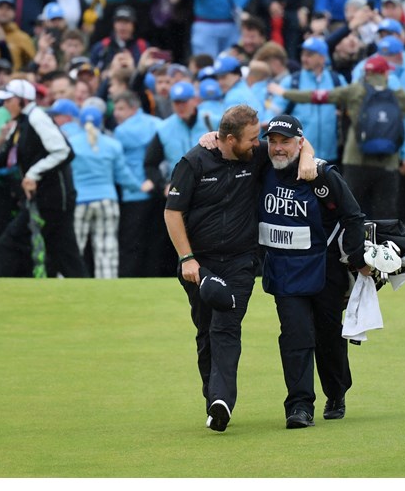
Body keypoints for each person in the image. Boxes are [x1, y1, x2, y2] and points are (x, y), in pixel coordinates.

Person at [163, 104, 316, 432]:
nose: (258, 143)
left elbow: (297, 143)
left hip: (240, 261)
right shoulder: (193, 162)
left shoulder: (255, 155)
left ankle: (222, 401)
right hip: (199, 264)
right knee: (205, 333)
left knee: (226, 327)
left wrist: (306, 158)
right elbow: (172, 213)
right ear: (229, 139)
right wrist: (187, 259)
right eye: (250, 138)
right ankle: (213, 400)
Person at [258, 114, 372, 429]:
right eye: (273, 141)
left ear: (300, 142)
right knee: (295, 336)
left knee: (327, 336)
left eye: (285, 142)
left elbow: (353, 215)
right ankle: (299, 406)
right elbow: (230, 142)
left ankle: (336, 393)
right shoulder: (262, 165)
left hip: (325, 271)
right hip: (282, 272)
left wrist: (357, 256)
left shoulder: (322, 174)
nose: (278, 148)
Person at [269, 55, 405, 220]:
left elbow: (318, 96)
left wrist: (285, 93)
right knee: (386, 214)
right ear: (385, 74)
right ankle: (383, 243)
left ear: (367, 74)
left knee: (351, 210)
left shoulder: (354, 91)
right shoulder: (398, 95)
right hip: (388, 162)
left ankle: (354, 245)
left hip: (356, 160)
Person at [0, 79, 87, 278]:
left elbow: (63, 151)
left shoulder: (37, 117)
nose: (5, 105)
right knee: (66, 255)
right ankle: (88, 293)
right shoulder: (22, 122)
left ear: (23, 100)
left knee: (9, 243)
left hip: (53, 199)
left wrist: (33, 173)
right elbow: (8, 154)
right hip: (50, 199)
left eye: (9, 100)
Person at [69, 106, 140, 279]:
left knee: (73, 246)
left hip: (80, 200)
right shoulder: (112, 145)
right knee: (106, 248)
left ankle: (68, 280)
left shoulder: (71, 144)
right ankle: (107, 285)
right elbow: (122, 175)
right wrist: (138, 186)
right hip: (107, 200)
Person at [112, 91, 162, 277]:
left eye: (121, 108)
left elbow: (120, 166)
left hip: (134, 193)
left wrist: (136, 185)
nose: (116, 113)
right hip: (157, 191)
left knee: (130, 242)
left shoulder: (121, 131)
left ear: (134, 108)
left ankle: (129, 276)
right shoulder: (158, 124)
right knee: (154, 241)